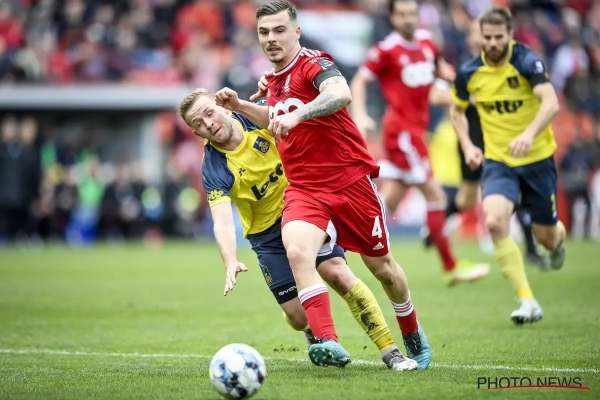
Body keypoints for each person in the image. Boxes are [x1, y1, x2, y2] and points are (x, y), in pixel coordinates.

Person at [228, 0, 431, 370]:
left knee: (384, 270)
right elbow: (275, 118)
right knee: (298, 253)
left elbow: (341, 94)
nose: (271, 38)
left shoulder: (313, 63)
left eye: (279, 30)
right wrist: (240, 105)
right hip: (304, 188)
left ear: (296, 32)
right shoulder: (271, 79)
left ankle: (412, 330)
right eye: (264, 32)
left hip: (350, 182)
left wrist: (299, 115)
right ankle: (328, 341)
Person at [179, 88, 418, 371]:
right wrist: (230, 260)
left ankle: (390, 351)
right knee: (297, 316)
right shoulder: (213, 166)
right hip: (266, 235)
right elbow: (222, 220)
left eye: (209, 113)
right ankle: (310, 329)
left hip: (306, 209)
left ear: (223, 106)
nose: (208, 123)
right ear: (196, 133)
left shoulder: (257, 117)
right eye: (199, 123)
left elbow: (303, 115)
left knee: (338, 274)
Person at [349, 0, 490, 286]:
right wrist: (360, 115)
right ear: (392, 18)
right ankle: (450, 265)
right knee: (436, 196)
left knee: (390, 199)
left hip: (416, 131)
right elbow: (359, 81)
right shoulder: (387, 50)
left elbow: (439, 71)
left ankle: (346, 240)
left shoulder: (427, 43)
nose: (408, 19)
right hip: (402, 134)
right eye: (402, 14)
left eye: (412, 13)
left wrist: (454, 80)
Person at [449, 7, 567, 324]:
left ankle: (557, 240)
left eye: (498, 37)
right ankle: (527, 300)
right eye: (487, 37)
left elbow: (551, 102)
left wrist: (528, 134)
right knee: (495, 221)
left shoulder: (526, 61)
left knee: (547, 238)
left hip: (537, 159)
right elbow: (456, 111)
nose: (492, 43)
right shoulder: (469, 72)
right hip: (499, 161)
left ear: (510, 35)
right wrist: (468, 145)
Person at [426, 19, 549, 268]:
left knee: (516, 191)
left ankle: (531, 249)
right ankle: (433, 231)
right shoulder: (461, 68)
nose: (485, 39)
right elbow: (434, 94)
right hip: (472, 141)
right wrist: (465, 97)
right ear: (472, 38)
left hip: (501, 139)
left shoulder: (507, 64)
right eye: (478, 34)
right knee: (466, 200)